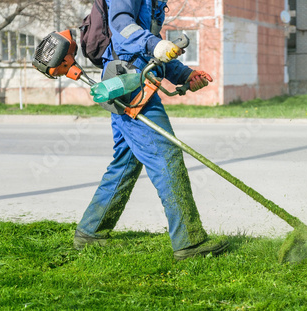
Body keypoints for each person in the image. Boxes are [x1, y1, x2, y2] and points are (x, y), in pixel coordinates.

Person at [73, 0, 229, 260]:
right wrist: (155, 44)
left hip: (134, 78)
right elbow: (123, 27)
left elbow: (150, 52)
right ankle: (189, 243)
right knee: (166, 155)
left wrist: (184, 75)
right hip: (128, 84)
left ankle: (91, 231)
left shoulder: (154, 2)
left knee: (126, 161)